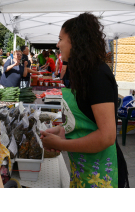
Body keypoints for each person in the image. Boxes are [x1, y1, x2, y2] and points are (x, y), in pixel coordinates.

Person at [40, 12, 129, 188]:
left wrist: (62, 144)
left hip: (103, 172)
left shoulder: (97, 75)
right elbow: (87, 120)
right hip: (84, 168)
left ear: (75, 40)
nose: (57, 45)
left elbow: (106, 136)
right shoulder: (84, 72)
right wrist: (62, 130)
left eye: (61, 39)